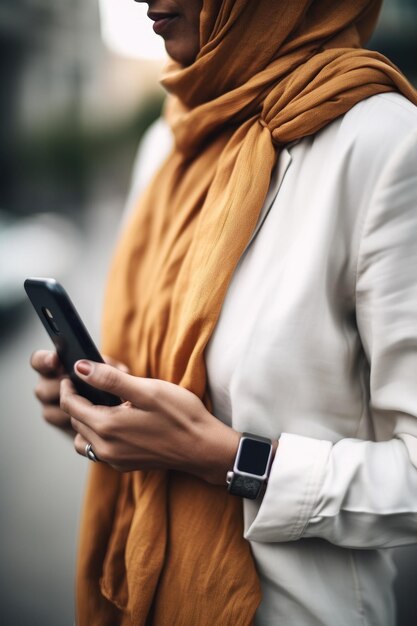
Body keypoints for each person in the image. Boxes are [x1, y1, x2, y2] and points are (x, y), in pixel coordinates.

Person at [30, 1, 417, 625]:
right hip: (137, 594)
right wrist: (91, 410)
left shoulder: (384, 146)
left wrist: (231, 460)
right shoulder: (169, 139)